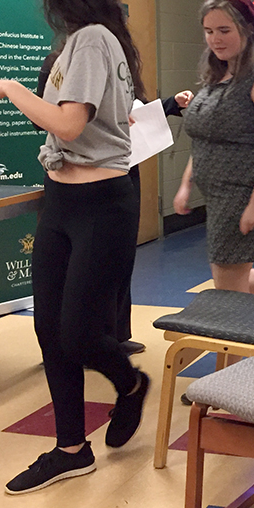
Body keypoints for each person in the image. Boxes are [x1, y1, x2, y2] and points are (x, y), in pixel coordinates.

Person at [0, 0, 151, 494]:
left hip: (101, 205)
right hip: (62, 202)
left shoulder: (96, 40)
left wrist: (9, 87)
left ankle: (128, 383)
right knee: (48, 328)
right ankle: (71, 448)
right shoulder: (79, 42)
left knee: (76, 331)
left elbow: (69, 124)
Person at [36, 53, 193, 355]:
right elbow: (40, 117)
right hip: (72, 174)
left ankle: (115, 335)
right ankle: (71, 341)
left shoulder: (120, 61)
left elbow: (136, 111)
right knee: (72, 264)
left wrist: (171, 104)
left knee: (118, 258)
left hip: (121, 169)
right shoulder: (58, 62)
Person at [174, 0, 254, 297]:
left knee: (228, 287)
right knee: (232, 281)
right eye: (209, 31)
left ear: (248, 30)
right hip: (218, 197)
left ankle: (235, 344)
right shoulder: (218, 77)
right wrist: (186, 185)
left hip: (243, 195)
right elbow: (203, 140)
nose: (215, 39)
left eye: (224, 30)